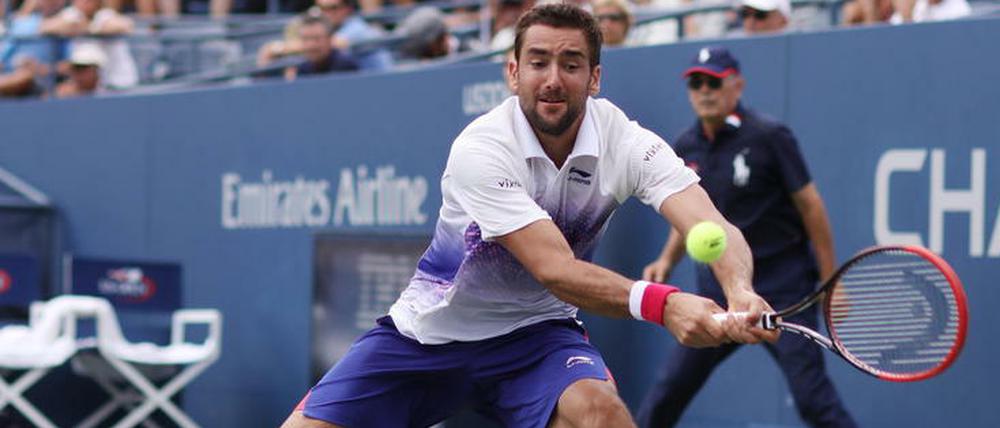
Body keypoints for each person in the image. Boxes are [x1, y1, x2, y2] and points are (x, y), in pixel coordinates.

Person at [282, 5, 778, 428]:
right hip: (427, 338)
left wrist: (739, 289)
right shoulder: (482, 148)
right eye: (538, 62)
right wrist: (665, 305)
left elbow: (711, 225)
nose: (554, 80)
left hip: (537, 338)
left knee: (602, 414)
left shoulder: (626, 142)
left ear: (595, 77)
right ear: (513, 72)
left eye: (571, 64)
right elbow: (554, 269)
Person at [636, 46, 856, 428]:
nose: (704, 91)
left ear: (737, 86)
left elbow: (811, 208)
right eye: (696, 83)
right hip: (716, 294)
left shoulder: (770, 136)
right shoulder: (686, 145)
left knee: (813, 400)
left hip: (784, 290)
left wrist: (830, 279)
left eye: (714, 82)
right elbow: (690, 216)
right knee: (668, 392)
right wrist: (666, 260)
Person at [41, 0, 139, 89]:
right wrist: (70, 26)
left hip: (118, 82)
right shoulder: (72, 15)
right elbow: (45, 27)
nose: (85, 2)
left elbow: (126, 25)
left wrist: (90, 28)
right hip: (89, 86)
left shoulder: (105, 15)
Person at [282, 15, 358, 81]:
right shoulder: (303, 69)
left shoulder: (345, 64)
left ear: (329, 39)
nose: (311, 45)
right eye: (305, 39)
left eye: (316, 38)